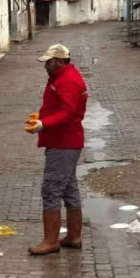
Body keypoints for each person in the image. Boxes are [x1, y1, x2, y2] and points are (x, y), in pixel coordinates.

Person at [24, 44, 88, 255]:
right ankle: (73, 236)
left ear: (60, 62)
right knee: (69, 190)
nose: (46, 65)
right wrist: (42, 118)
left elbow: (68, 113)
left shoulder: (67, 81)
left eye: (49, 62)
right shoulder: (65, 76)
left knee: (52, 190)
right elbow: (60, 109)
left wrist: (44, 124)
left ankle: (51, 241)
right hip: (67, 142)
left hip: (63, 143)